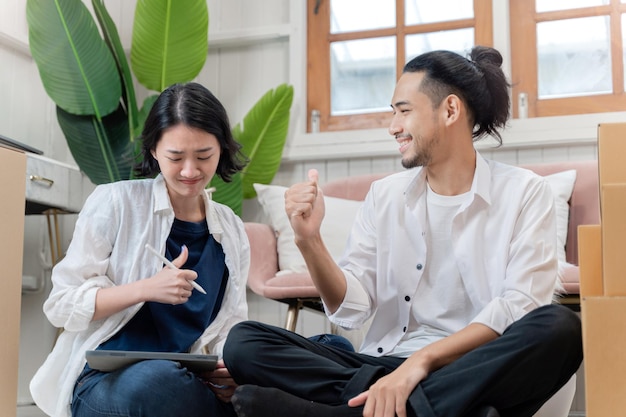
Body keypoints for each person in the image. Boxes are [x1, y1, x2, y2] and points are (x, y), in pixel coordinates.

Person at [222, 46, 583, 417]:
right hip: (386, 367)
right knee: (245, 342)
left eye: (404, 111)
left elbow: (517, 307)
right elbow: (353, 308)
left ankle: (342, 412)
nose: (393, 126)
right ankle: (436, 408)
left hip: (473, 366)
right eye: (393, 113)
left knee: (561, 329)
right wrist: (309, 240)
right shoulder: (385, 195)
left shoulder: (525, 192)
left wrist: (421, 363)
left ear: (450, 110)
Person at [30, 82, 249, 417]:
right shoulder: (116, 203)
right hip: (106, 383)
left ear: (221, 149)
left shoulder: (230, 230)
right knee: (156, 383)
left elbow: (231, 326)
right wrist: (146, 289)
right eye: (175, 157)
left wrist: (229, 371)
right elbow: (61, 304)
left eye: (204, 156)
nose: (190, 171)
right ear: (154, 152)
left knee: (293, 365)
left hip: (184, 380)